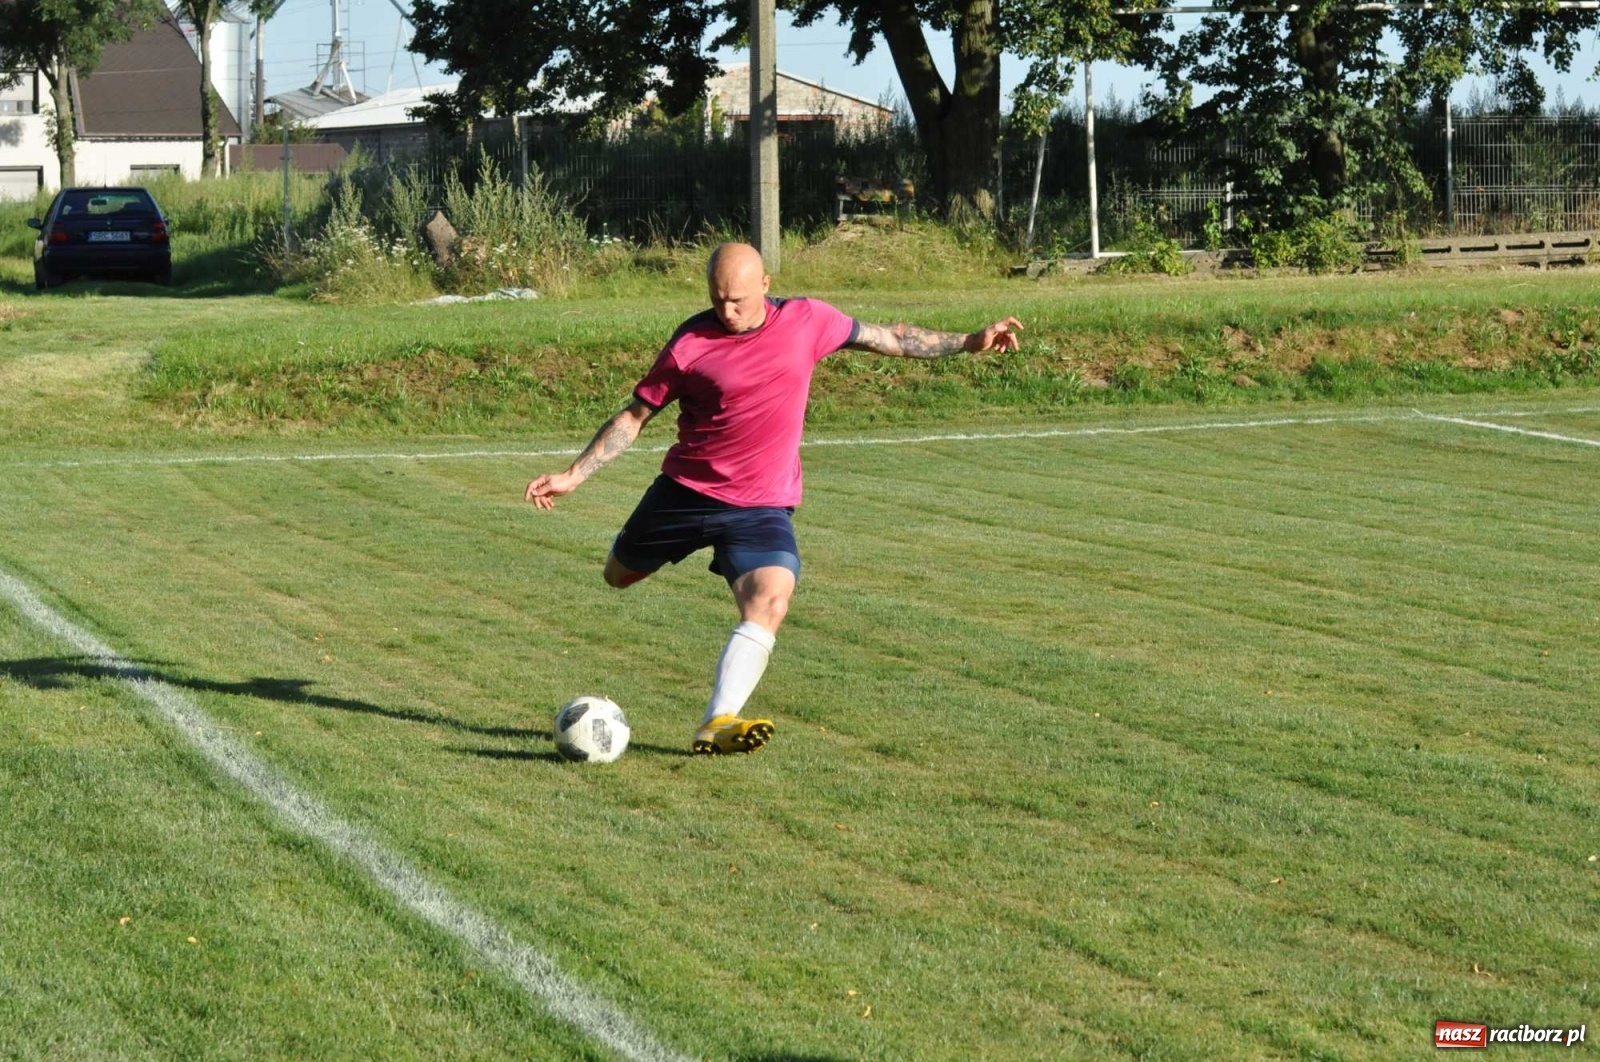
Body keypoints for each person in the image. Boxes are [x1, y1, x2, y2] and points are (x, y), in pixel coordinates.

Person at [526, 242, 1021, 755]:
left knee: (771, 600)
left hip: (760, 506)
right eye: (718, 300)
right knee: (618, 575)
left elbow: (890, 338)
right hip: (685, 495)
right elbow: (635, 416)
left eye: (737, 300)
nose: (727, 311)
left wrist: (968, 341)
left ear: (766, 284)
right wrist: (574, 476)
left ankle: (718, 720)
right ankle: (640, 551)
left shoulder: (809, 320)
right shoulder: (689, 343)